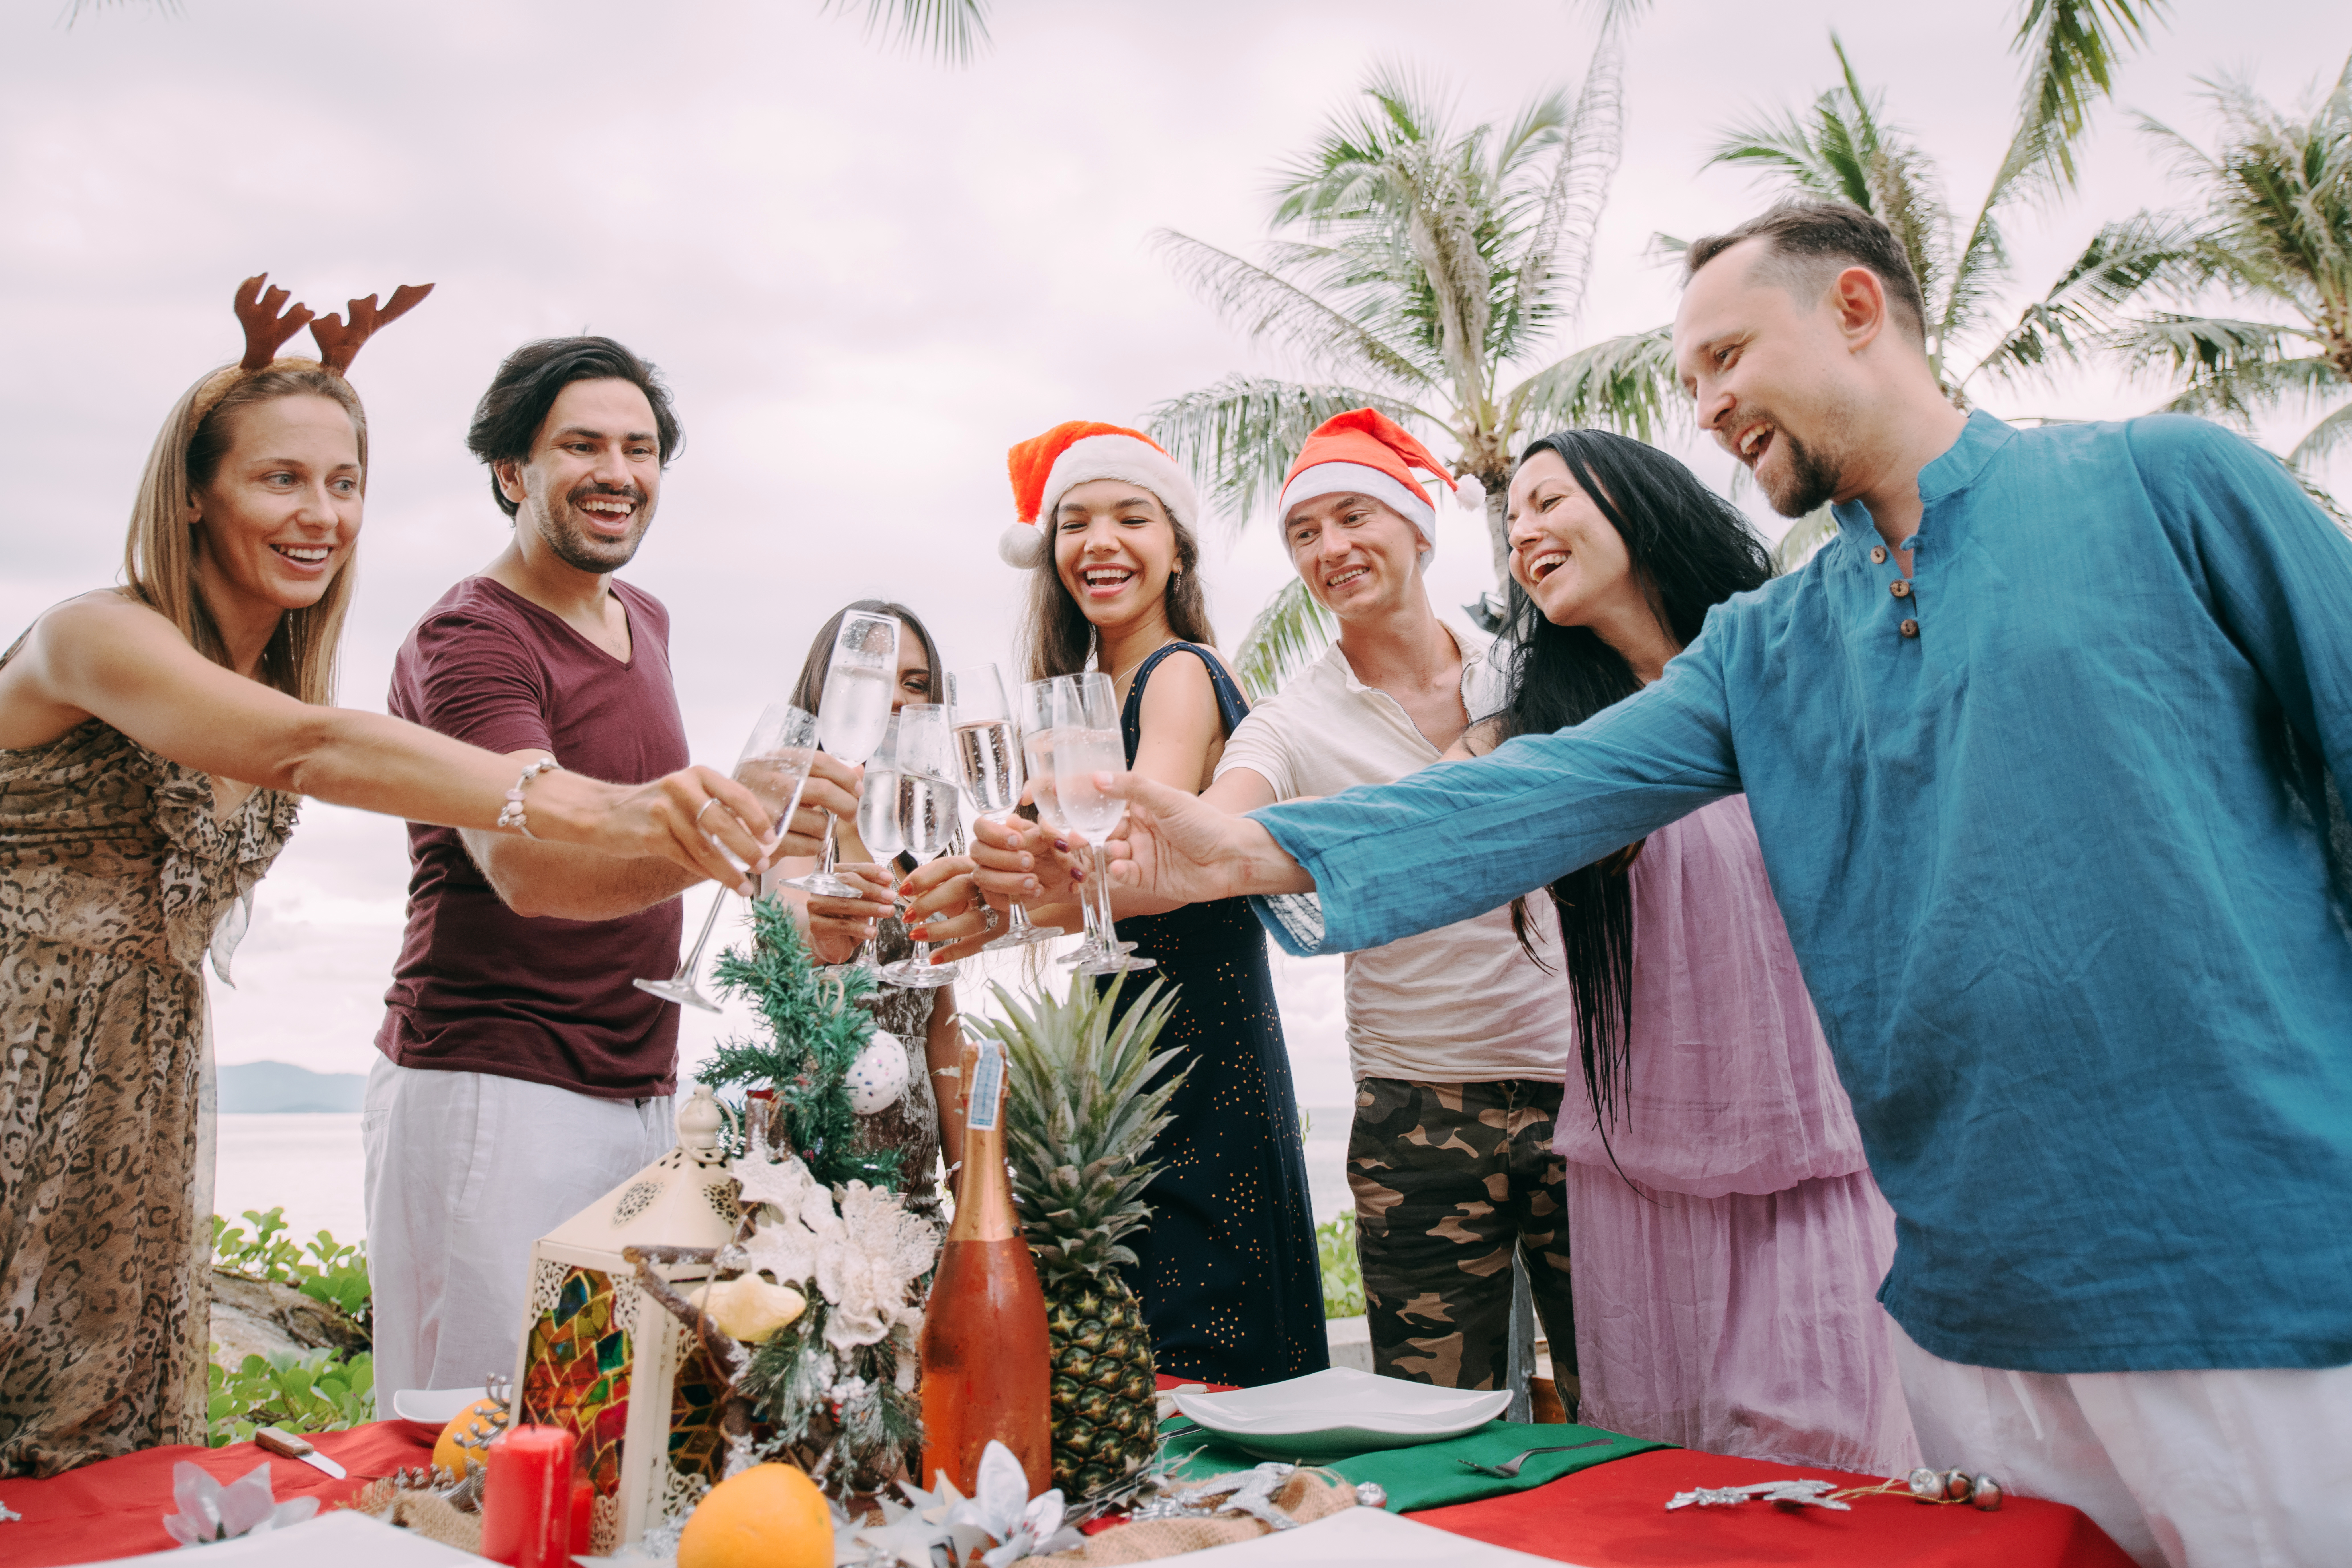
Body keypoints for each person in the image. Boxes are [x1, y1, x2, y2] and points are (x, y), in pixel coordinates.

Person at [1095, 199, 2352, 1565]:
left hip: (2254, 1279)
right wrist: (1239, 849)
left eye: (1724, 357)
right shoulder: (1768, 646)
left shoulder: (2168, 484)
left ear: (1855, 309)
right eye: (1689, 378)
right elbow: (1537, 795)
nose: (1704, 406)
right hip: (1969, 1326)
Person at [0, 280, 796, 1477]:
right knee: (455, 1452)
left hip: (138, 1081)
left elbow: (300, 719)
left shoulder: (283, 666)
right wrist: (633, 806)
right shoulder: (97, 636)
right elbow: (319, 757)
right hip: (28, 1052)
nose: (323, 513)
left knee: (101, 1447)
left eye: (346, 481)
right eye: (279, 478)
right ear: (189, 492)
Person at [363, 336, 857, 1396]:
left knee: (608, 1431)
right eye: (581, 445)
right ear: (511, 472)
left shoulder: (644, 617)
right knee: (473, 1429)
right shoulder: (472, 638)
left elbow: (651, 836)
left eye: (640, 449)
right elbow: (530, 874)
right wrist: (729, 840)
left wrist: (798, 880)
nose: (618, 472)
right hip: (494, 1085)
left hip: (640, 1086)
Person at [1463, 426, 1916, 1472]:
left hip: (1823, 1143)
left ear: (1634, 500)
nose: (1523, 529)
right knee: (1672, 1462)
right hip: (1643, 1162)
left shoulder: (1797, 654)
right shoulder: (1533, 731)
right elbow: (1423, 816)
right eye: (1511, 517)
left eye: (1547, 500)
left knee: (1831, 1454)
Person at [1184, 409, 1579, 1395]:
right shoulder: (1292, 718)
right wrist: (1163, 837)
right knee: (1434, 1415)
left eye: (1351, 516)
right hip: (1417, 1111)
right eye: (1302, 534)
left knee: (1616, 1393)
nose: (1329, 549)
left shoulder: (1533, 669)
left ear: (1417, 526)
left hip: (1584, 1088)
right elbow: (1220, 829)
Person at [984, 420, 1326, 1387]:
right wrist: (1002, 874)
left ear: (1175, 548)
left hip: (1195, 1038)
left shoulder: (1178, 673)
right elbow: (1048, 865)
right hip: (1130, 1031)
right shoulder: (1087, 691)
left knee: (1202, 1326)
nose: (1100, 542)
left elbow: (1126, 862)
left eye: (1130, 517)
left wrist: (991, 900)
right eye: (1075, 522)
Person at [770, 599, 979, 1219]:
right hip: (814, 1179)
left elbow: (941, 1022)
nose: (895, 699)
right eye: (873, 675)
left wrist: (967, 1179)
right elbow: (792, 925)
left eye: (915, 684)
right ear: (827, 687)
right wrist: (818, 927)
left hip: (917, 1189)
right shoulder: (793, 811)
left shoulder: (928, 837)